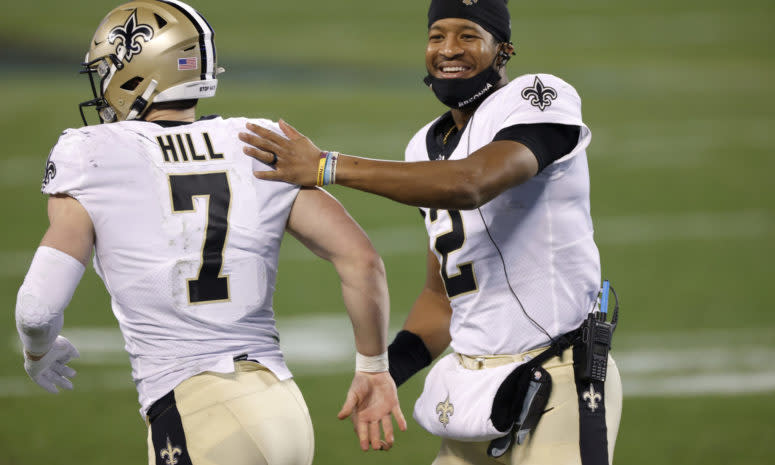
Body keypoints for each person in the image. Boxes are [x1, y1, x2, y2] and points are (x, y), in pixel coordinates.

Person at [14, 1, 406, 464]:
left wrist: (38, 353)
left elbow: (38, 310)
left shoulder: (92, 153)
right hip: (283, 410)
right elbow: (361, 260)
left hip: (199, 412)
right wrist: (374, 368)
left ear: (136, 68)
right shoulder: (255, 143)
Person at [238, 0, 622, 464]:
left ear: (503, 50)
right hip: (472, 384)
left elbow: (472, 182)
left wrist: (327, 167)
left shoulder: (538, 95)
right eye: (437, 35)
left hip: (558, 375)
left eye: (467, 35)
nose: (448, 49)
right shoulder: (425, 145)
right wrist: (383, 370)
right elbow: (442, 300)